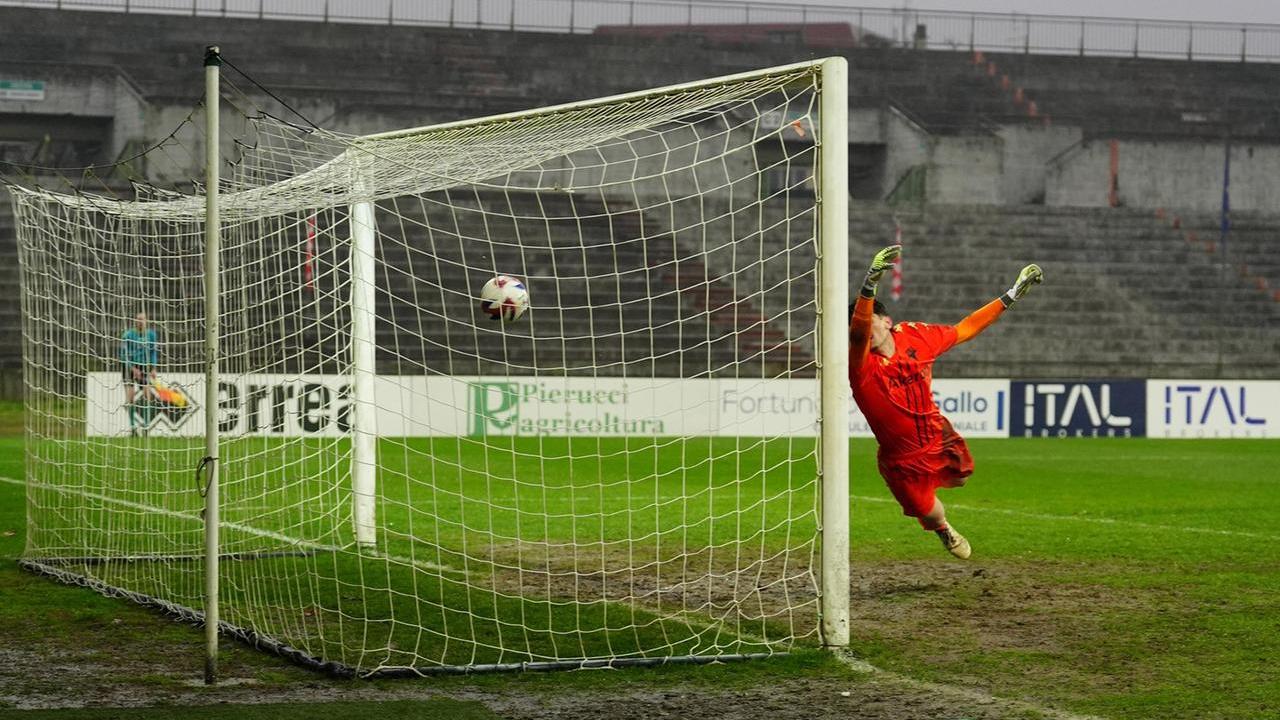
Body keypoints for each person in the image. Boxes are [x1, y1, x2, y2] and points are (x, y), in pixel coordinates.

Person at [848, 245, 1042, 559]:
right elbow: (857, 333)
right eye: (860, 328)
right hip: (901, 461)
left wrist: (1011, 295)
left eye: (872, 323)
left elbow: (966, 328)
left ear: (887, 321)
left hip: (935, 437)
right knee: (930, 513)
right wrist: (870, 283)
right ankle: (944, 530)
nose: (865, 332)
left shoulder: (918, 338)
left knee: (962, 479)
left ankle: (940, 521)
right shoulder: (861, 368)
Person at [119, 311, 158, 437]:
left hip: (144, 367)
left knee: (148, 396)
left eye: (143, 319)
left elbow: (153, 352)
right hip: (128, 368)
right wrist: (132, 368)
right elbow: (123, 354)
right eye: (138, 319)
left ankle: (146, 427)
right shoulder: (128, 335)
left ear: (146, 320)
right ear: (135, 321)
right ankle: (133, 428)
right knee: (130, 398)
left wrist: (153, 368)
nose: (140, 321)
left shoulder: (151, 335)